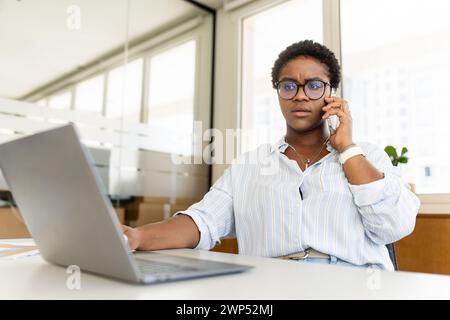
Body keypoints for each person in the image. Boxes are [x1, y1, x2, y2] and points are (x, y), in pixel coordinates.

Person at [122, 40, 420, 270]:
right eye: (288, 85)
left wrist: (347, 149)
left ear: (332, 92)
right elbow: (202, 222)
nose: (300, 95)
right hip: (271, 286)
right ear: (278, 93)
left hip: (353, 283)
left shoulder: (367, 155)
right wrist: (136, 237)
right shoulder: (249, 166)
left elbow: (394, 225)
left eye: (314, 85)